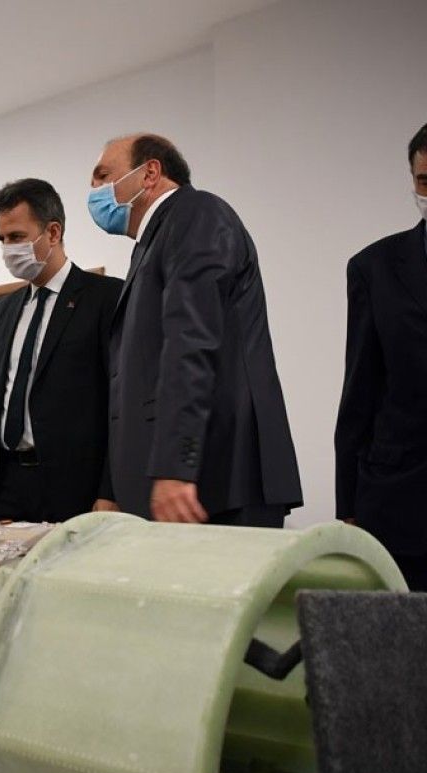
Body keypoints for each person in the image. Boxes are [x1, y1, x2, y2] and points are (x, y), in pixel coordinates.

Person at [89, 133, 302, 527]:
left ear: (149, 173)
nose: (94, 190)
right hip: (183, 485)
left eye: (103, 176)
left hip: (215, 479)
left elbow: (191, 340)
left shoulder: (196, 213)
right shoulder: (151, 243)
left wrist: (175, 467)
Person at [0, 178, 123, 523]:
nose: (7, 249)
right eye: (1, 239)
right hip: (8, 484)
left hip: (75, 486)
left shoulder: (106, 298)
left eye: (17, 237)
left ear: (53, 233)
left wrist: (110, 490)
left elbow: (120, 403)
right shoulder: (6, 308)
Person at [335, 123, 427, 589]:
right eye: (424, 181)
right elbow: (360, 389)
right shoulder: (375, 268)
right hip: (399, 500)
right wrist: (347, 504)